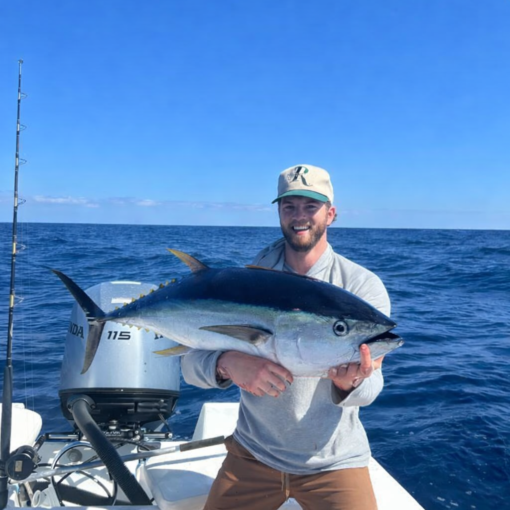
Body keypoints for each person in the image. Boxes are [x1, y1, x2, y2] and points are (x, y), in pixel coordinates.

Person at [181, 164, 391, 510]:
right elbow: (189, 367)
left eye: (311, 206)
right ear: (278, 212)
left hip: (333, 462)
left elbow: (371, 389)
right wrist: (228, 363)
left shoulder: (361, 286)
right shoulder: (249, 282)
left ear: (331, 213)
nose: (299, 216)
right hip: (252, 454)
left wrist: (350, 385)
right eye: (289, 206)